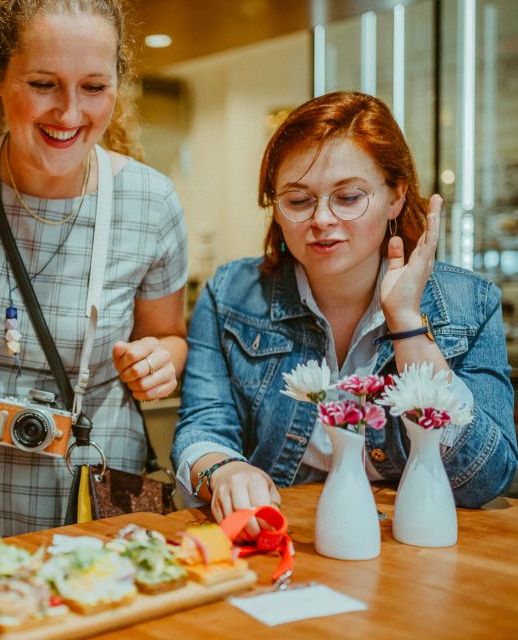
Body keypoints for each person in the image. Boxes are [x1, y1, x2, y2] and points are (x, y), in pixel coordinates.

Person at [0, 0, 189, 539]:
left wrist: (159, 362)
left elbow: (167, 336)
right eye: (44, 84)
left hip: (96, 499)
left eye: (94, 87)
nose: (70, 113)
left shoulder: (151, 201)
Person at [172, 91, 517, 535]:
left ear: (395, 197)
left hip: (413, 545)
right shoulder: (231, 294)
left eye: (349, 197)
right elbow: (204, 425)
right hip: (283, 538)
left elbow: (486, 480)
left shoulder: (469, 303)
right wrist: (223, 471)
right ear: (275, 209)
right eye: (298, 201)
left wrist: (407, 323)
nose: (322, 219)